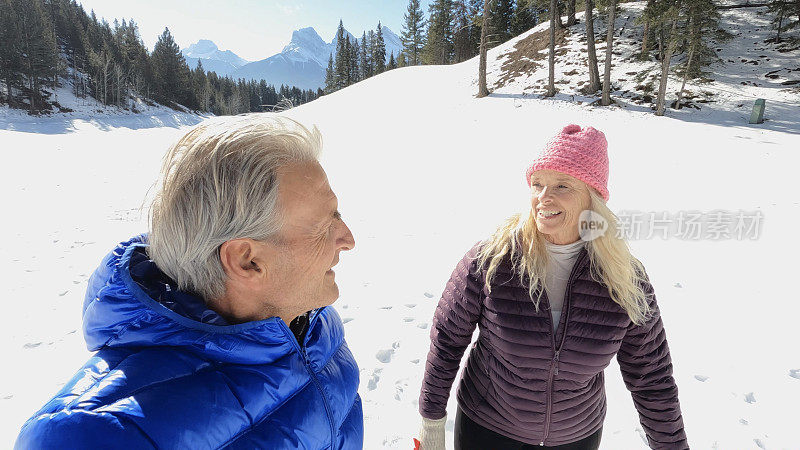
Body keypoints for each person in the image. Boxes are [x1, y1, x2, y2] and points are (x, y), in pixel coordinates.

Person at [15, 115, 362, 449]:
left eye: (339, 214)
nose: (347, 239)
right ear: (247, 261)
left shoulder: (311, 323)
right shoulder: (94, 436)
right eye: (324, 224)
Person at [416, 125, 688, 450]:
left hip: (576, 437)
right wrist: (431, 421)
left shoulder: (625, 278)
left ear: (593, 197)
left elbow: (652, 377)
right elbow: (447, 341)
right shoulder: (492, 259)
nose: (544, 197)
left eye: (562, 185)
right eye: (538, 184)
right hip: (488, 429)